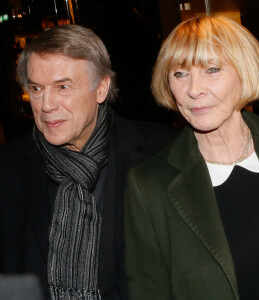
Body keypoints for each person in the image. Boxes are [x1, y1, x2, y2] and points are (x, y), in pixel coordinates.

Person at [125, 16, 259, 300]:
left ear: (246, 72)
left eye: (212, 70)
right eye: (180, 74)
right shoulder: (148, 185)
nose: (194, 90)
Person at [0, 24, 176, 300]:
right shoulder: (7, 167)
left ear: (101, 88)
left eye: (63, 87)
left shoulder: (164, 154)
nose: (46, 104)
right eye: (36, 88)